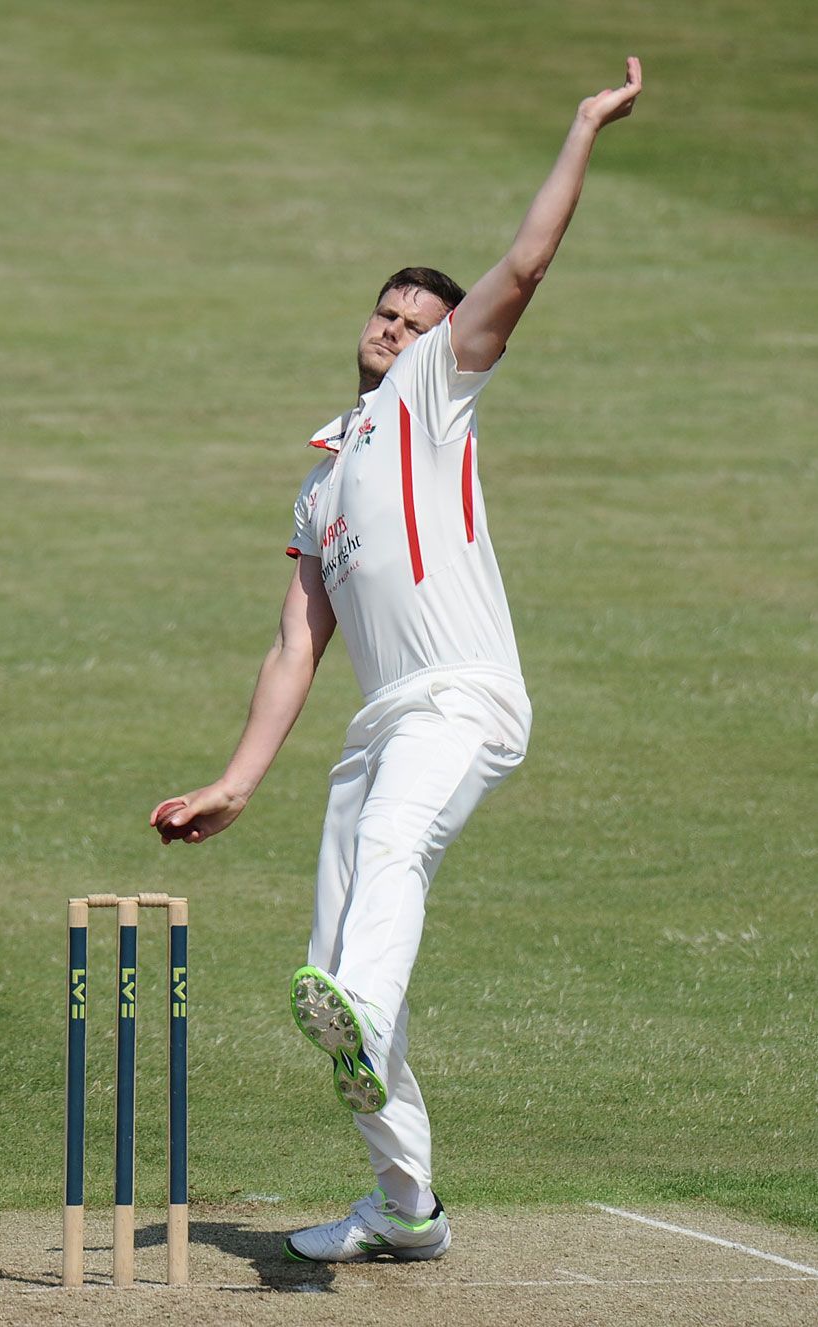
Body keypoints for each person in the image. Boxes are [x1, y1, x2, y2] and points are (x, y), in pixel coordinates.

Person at [151, 57, 643, 1264]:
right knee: (335, 971)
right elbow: (295, 641)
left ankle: (363, 1009)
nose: (396, 330)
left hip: (466, 696)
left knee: (388, 867)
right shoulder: (324, 477)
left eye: (419, 320)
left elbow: (522, 267)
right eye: (386, 313)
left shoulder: (435, 391)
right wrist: (237, 781)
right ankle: (407, 1204)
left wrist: (581, 126)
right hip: (383, 723)